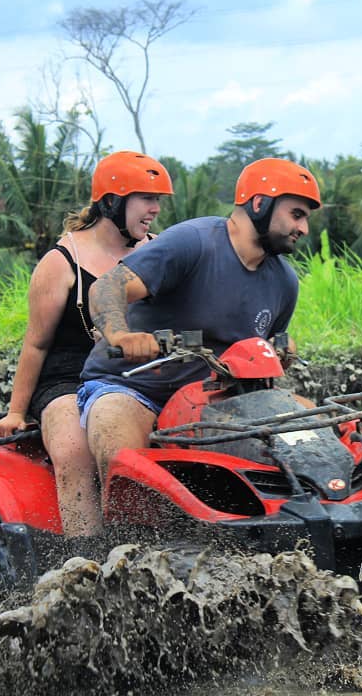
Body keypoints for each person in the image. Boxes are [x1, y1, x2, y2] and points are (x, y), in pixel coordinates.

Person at [78, 157, 320, 478]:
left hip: (219, 402)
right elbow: (108, 287)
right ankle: (124, 528)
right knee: (123, 458)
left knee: (321, 432)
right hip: (134, 388)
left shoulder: (285, 282)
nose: (303, 229)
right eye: (296, 215)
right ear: (260, 204)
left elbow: (263, 356)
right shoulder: (193, 242)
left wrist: (281, 354)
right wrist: (121, 336)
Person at [0, 151, 174, 536]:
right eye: (146, 198)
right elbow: (36, 345)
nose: (155, 209)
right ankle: (85, 557)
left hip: (137, 377)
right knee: (76, 451)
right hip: (67, 380)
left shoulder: (160, 252)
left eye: (158, 200)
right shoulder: (63, 260)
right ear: (112, 201)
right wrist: (15, 412)